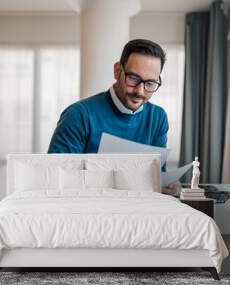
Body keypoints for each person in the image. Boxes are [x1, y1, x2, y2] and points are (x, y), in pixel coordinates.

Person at [48, 39, 180, 195]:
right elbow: (55, 178)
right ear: (117, 71)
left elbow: (157, 176)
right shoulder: (78, 115)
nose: (140, 91)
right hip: (88, 210)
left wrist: (166, 186)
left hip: (140, 211)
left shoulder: (158, 117)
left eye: (150, 83)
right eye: (133, 78)